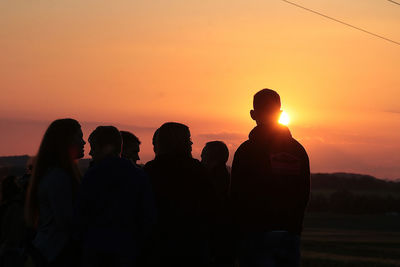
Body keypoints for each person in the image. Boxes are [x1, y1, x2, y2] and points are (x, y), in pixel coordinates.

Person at [231, 89, 310, 267]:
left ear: (253, 114)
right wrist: (294, 227)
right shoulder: (298, 151)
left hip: (254, 233)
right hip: (289, 232)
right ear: (280, 114)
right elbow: (303, 193)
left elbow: (237, 196)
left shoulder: (246, 151)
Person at [76, 126, 156, 267]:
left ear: (107, 147)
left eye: (94, 148)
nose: (90, 152)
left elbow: (81, 214)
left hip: (96, 251)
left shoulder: (93, 175)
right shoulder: (139, 175)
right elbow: (147, 216)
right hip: (129, 251)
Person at [144, 122, 215, 266]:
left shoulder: (150, 171)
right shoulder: (197, 170)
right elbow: (210, 206)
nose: (191, 143)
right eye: (187, 139)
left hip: (159, 245)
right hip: (193, 243)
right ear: (179, 142)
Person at [25, 118, 85, 267]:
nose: (84, 143)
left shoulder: (54, 175)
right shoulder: (59, 177)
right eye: (80, 137)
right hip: (55, 253)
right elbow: (66, 220)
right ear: (65, 142)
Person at [201, 141, 234, 267]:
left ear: (211, 158)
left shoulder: (213, 179)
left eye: (203, 156)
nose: (201, 159)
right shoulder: (227, 176)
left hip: (215, 238)